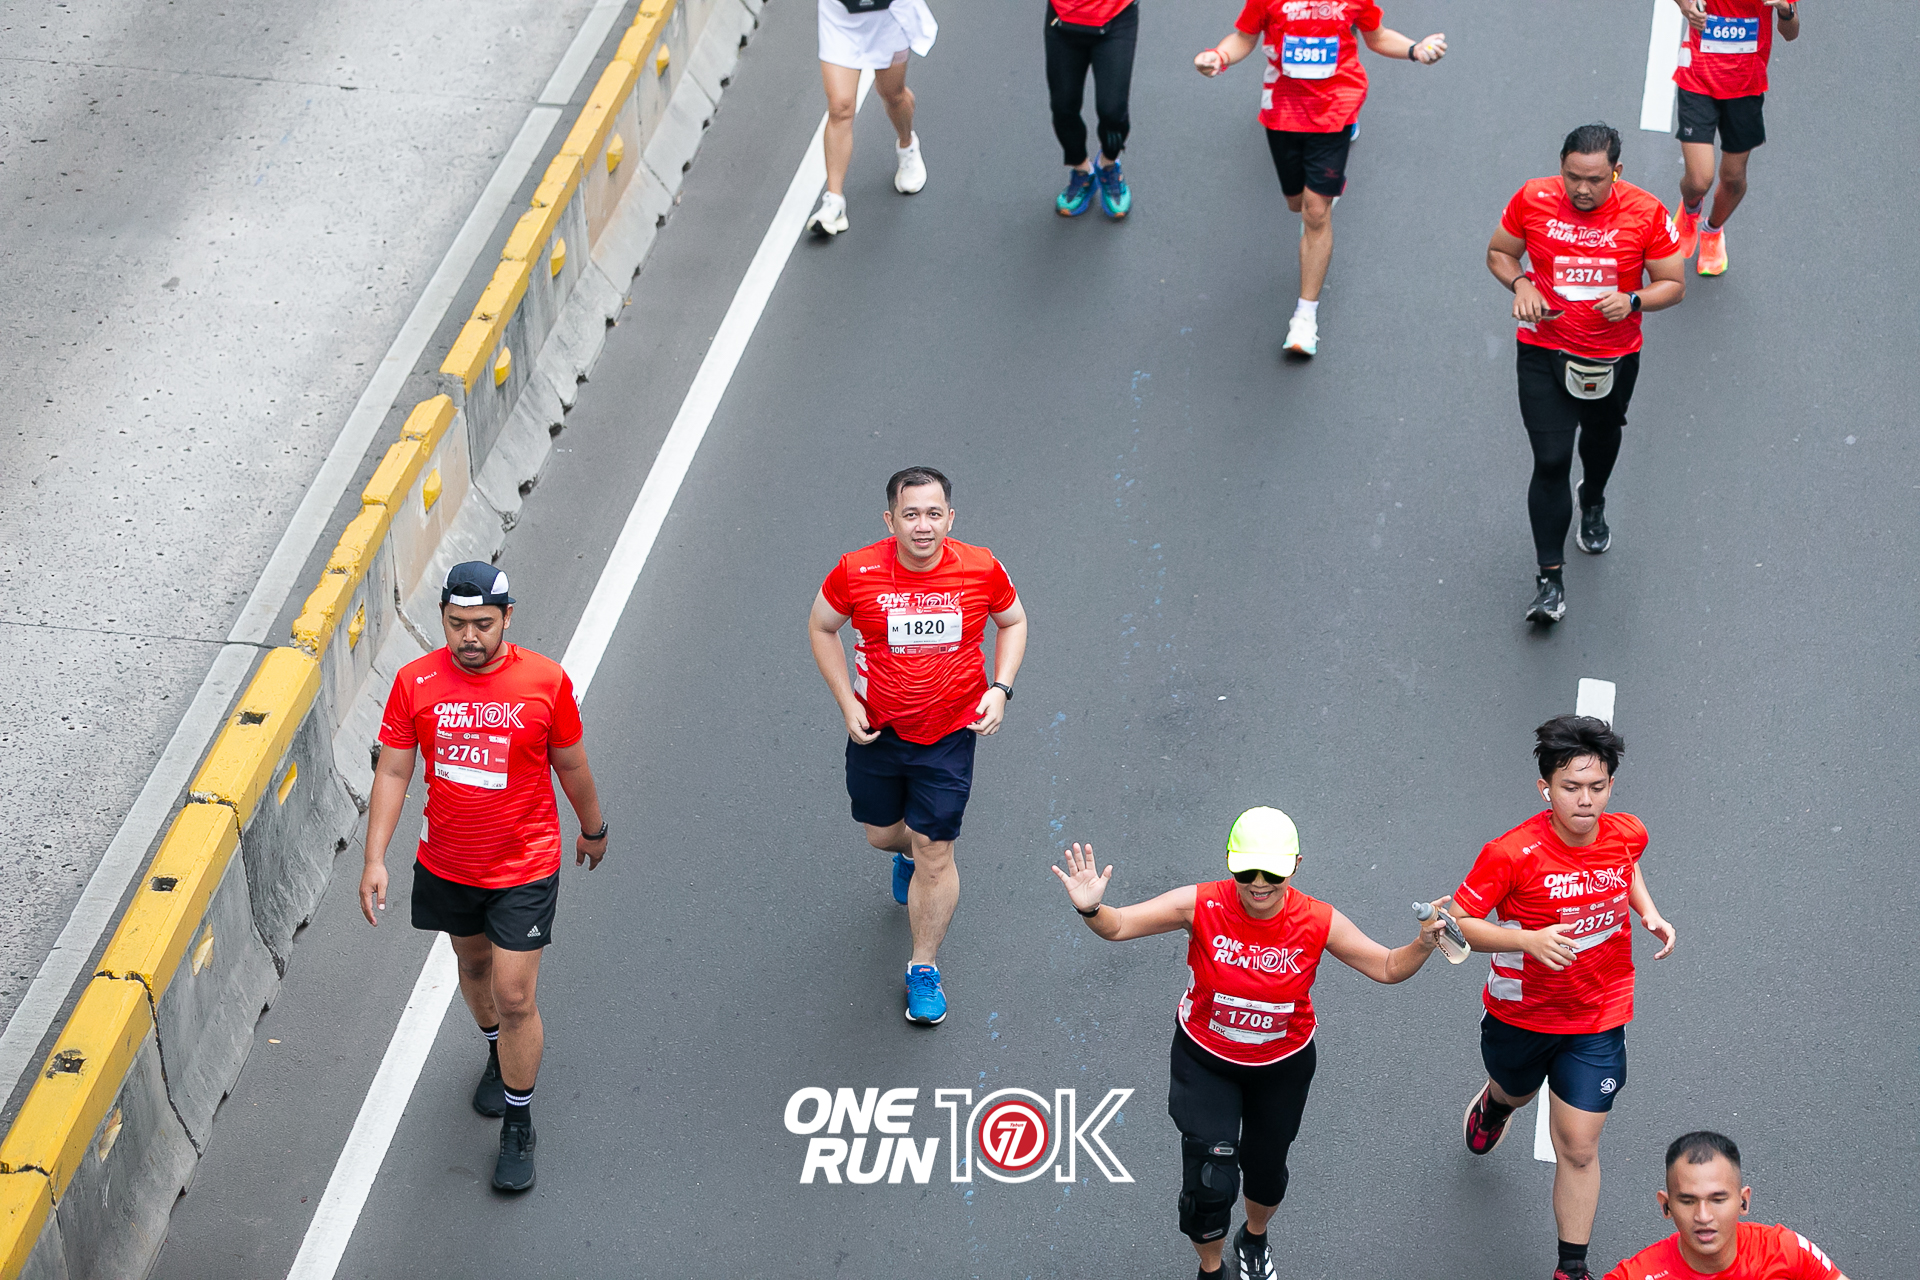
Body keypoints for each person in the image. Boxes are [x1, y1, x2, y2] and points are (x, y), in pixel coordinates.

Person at [1053, 808, 1451, 1280]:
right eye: (1246, 871)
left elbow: (1386, 966)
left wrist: (1422, 944)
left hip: (1282, 1067)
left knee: (1265, 1172)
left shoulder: (1317, 920)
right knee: (1209, 1181)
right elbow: (1118, 925)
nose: (1259, 884)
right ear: (1229, 862)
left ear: (1296, 865)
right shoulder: (1199, 904)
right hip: (1206, 1061)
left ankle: (1254, 1237)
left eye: (1273, 873)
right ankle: (1212, 1269)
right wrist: (1091, 908)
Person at [359, 562, 607, 1193]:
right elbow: (394, 771)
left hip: (524, 865)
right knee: (472, 969)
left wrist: (593, 827)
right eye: (456, 623)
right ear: (443, 618)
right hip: (448, 864)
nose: (469, 637)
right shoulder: (415, 683)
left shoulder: (544, 682)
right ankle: (496, 1051)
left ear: (507, 618)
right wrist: (374, 858)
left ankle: (519, 1125)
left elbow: (571, 764)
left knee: (515, 994)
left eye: (483, 624)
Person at [1449, 715, 1678, 1280]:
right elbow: (1457, 923)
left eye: (1597, 787)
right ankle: (1497, 1103)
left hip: (1598, 1013)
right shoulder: (1511, 854)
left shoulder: (1627, 832)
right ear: (1545, 787)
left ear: (1611, 786)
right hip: (1521, 1015)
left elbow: (1627, 867)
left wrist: (1648, 912)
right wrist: (1527, 940)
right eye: (1571, 787)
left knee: (1578, 1147)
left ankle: (1570, 1268)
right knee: (1517, 1091)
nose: (1585, 800)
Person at [807, 467, 1028, 1025]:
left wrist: (1000, 688)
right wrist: (847, 703)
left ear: (950, 518)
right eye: (911, 514)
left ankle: (923, 967)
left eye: (933, 514)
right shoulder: (856, 571)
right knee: (882, 834)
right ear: (891, 520)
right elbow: (821, 627)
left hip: (950, 734)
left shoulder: (981, 567)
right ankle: (905, 852)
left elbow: (1013, 621)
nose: (922, 526)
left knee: (937, 849)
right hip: (878, 731)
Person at [1486, 123, 1685, 624]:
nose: (1581, 188)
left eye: (1594, 179)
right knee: (1551, 460)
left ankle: (1592, 498)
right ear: (1561, 165)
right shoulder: (1533, 198)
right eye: (1573, 176)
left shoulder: (1646, 212)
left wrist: (1634, 299)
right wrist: (1521, 283)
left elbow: (1673, 283)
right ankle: (1549, 581)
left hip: (1611, 357)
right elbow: (1499, 251)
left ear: (1616, 173)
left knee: (1599, 441)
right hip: (1543, 348)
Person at [1193, 2, 1445, 357]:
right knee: (1296, 203)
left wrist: (1414, 50)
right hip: (1283, 111)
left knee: (1314, 212)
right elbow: (1244, 38)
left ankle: (1305, 317)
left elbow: (1377, 36)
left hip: (1335, 109)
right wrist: (1219, 57)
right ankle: (1323, 194)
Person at [1606, 1131, 1850, 1280]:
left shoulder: (1785, 1251)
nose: (1703, 1216)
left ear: (1743, 1201)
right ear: (1666, 1206)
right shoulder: (1634, 1276)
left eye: (1718, 1200)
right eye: (1688, 1201)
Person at [1671, 0, 1800, 276]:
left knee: (1733, 178)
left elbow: (1790, 33)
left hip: (1746, 86)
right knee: (1698, 180)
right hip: (1697, 79)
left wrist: (1785, 9)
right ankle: (1690, 209)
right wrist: (1685, 6)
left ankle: (1712, 231)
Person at [806, 0, 937, 237]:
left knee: (893, 95)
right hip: (840, 15)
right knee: (840, 106)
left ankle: (907, 145)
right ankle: (834, 201)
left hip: (888, 15)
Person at [1046, 0, 1138, 220]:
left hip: (1116, 17)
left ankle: (1108, 164)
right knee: (1063, 107)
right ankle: (1082, 170)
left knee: (1112, 112)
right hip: (1063, 18)